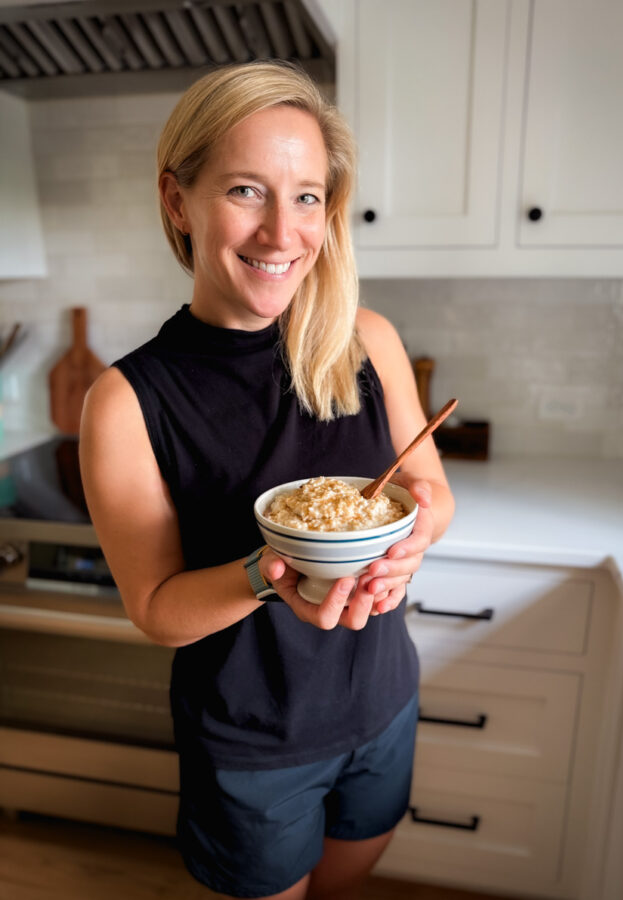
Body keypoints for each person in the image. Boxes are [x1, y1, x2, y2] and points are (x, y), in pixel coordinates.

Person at [79, 60, 455, 900]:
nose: (283, 233)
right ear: (179, 201)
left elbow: (430, 492)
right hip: (252, 746)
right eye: (246, 190)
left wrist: (414, 540)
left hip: (383, 702)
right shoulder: (126, 402)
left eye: (307, 196)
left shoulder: (368, 340)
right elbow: (157, 609)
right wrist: (269, 574)